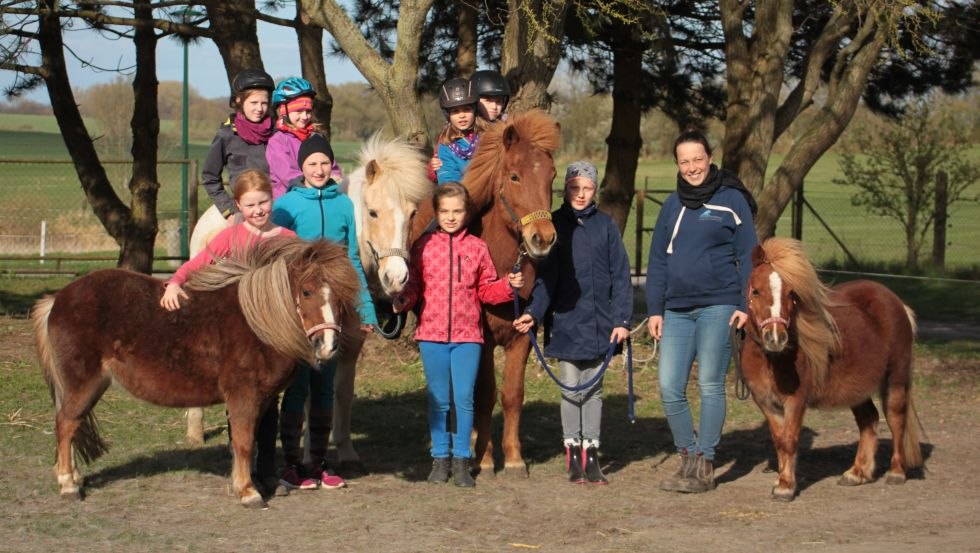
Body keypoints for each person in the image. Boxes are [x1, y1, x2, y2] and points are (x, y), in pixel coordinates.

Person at [159, 169, 295, 496]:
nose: (258, 210)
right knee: (240, 405)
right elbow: (200, 262)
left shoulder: (287, 240)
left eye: (262, 202)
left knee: (269, 405)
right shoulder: (230, 238)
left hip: (274, 341)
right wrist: (175, 282)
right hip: (236, 338)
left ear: (271, 200)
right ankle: (240, 466)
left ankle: (266, 470)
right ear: (237, 205)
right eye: (249, 205)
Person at [645, 129, 758, 494]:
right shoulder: (672, 205)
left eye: (697, 159)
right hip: (676, 309)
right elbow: (658, 259)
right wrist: (655, 310)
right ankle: (688, 456)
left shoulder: (731, 201)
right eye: (684, 161)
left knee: (710, 383)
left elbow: (749, 256)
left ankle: (706, 463)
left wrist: (745, 305)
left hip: (719, 304)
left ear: (709, 158)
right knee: (669, 386)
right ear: (677, 164)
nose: (692, 167)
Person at [392, 182, 523, 488]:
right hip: (432, 335)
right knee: (439, 400)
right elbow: (414, 289)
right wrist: (402, 300)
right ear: (436, 213)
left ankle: (462, 460)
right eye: (445, 211)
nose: (451, 217)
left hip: (467, 338)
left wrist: (508, 286)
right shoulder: (422, 248)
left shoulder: (477, 248)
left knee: (464, 399)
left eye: (457, 211)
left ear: (466, 213)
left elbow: (486, 289)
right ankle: (440, 459)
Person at [512, 161, 632, 485]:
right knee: (571, 390)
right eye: (575, 188)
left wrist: (622, 319)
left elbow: (621, 275)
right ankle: (572, 452)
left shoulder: (606, 227)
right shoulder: (554, 226)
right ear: (566, 189)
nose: (581, 194)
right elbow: (545, 279)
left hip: (601, 325)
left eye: (587, 188)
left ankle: (592, 454)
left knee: (593, 391)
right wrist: (534, 313)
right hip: (566, 323)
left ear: (595, 190)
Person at [271, 133, 378, 492]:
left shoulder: (344, 205)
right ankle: (291, 465)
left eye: (323, 163)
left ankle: (318, 462)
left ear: (331, 166)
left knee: (324, 387)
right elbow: (276, 260)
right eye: (311, 164)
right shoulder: (286, 205)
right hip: (299, 311)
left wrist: (366, 311)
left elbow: (352, 260)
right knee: (297, 387)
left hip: (334, 310)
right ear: (301, 168)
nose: (318, 170)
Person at [201, 69, 276, 221]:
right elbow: (210, 178)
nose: (259, 109)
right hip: (242, 213)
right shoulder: (226, 135)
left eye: (264, 103)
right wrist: (229, 211)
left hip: (276, 209)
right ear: (238, 101)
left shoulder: (277, 134)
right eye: (253, 102)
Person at [265, 77, 344, 200]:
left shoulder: (316, 137)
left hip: (320, 197)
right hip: (291, 202)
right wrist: (318, 184)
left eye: (308, 111)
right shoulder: (277, 141)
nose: (305, 116)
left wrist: (335, 182)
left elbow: (332, 167)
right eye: (299, 111)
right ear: (283, 111)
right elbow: (288, 175)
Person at [431, 77, 480, 184]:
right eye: (455, 111)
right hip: (465, 195)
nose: (462, 115)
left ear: (475, 110)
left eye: (467, 109)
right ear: (448, 115)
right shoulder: (446, 146)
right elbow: (448, 181)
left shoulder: (486, 136)